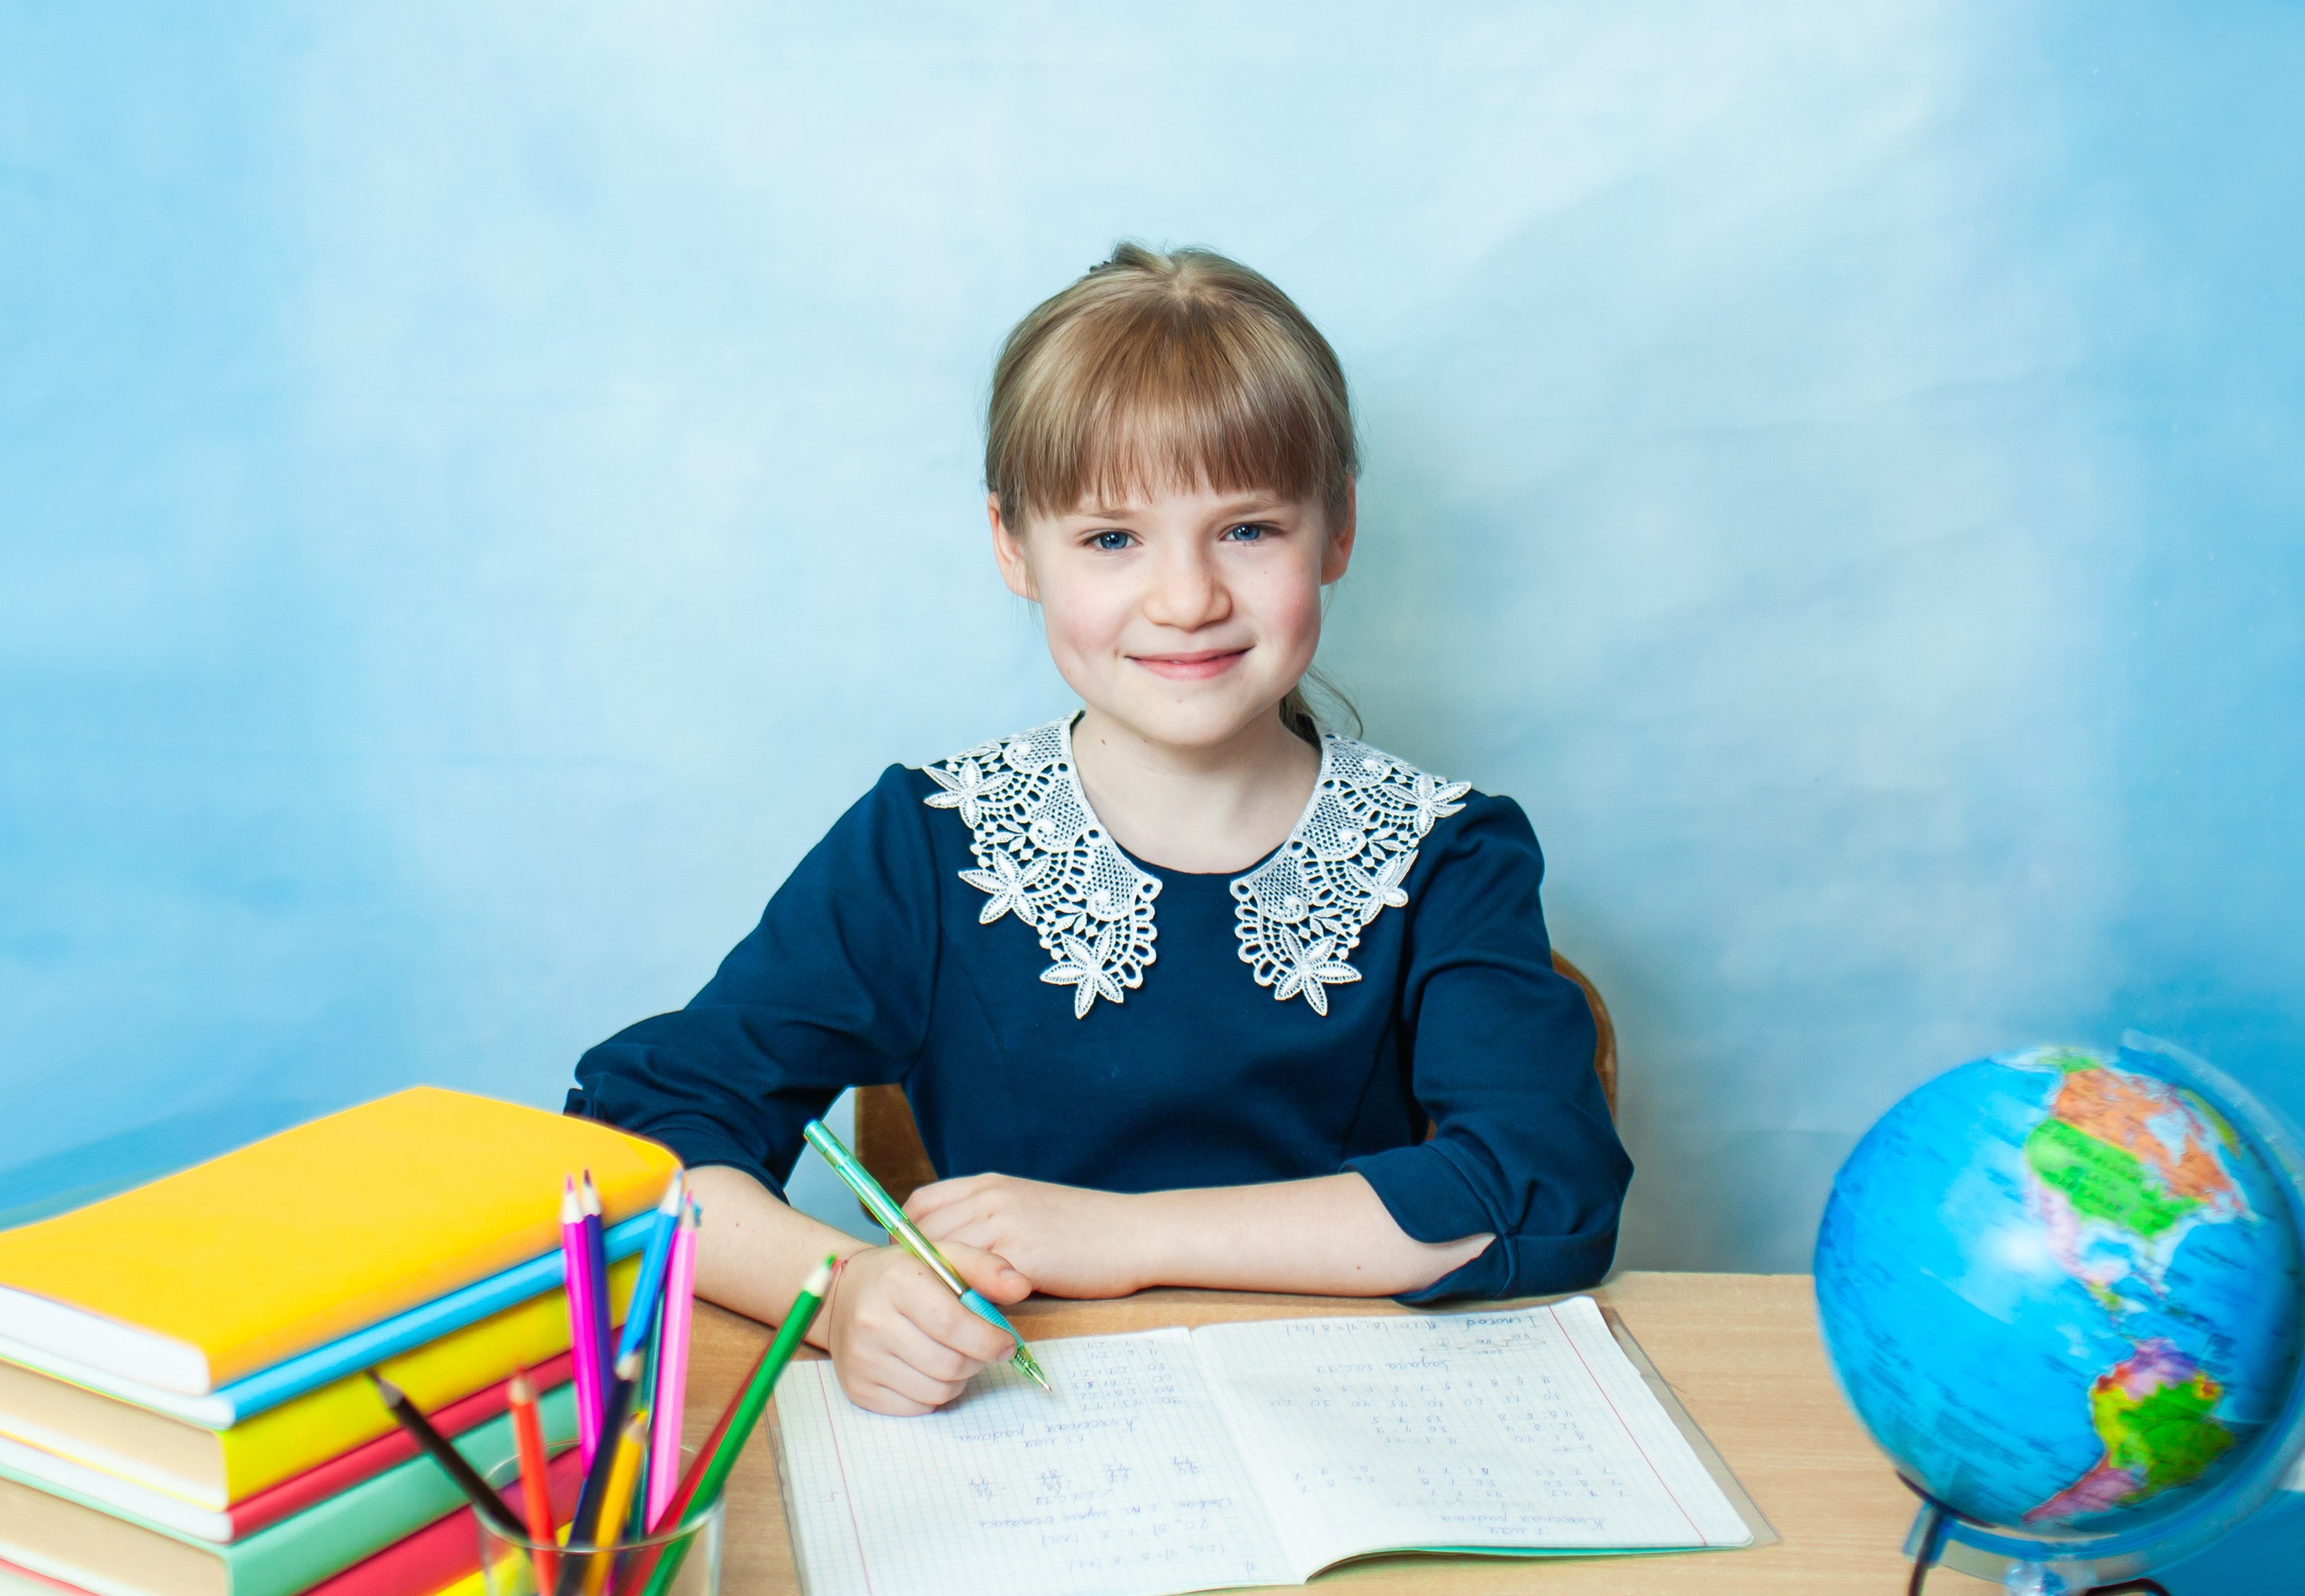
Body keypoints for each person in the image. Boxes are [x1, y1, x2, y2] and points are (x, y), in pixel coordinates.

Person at [566, 243, 1631, 1416]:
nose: (1186, 598)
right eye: (1112, 538)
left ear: (1336, 532)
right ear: (1014, 547)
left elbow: (1537, 1185)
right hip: (1025, 1427)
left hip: (1357, 1422)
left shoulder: (1449, 854)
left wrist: (1116, 1236)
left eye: (1250, 529)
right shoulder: (926, 847)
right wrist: (842, 1289)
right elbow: (638, 1143)